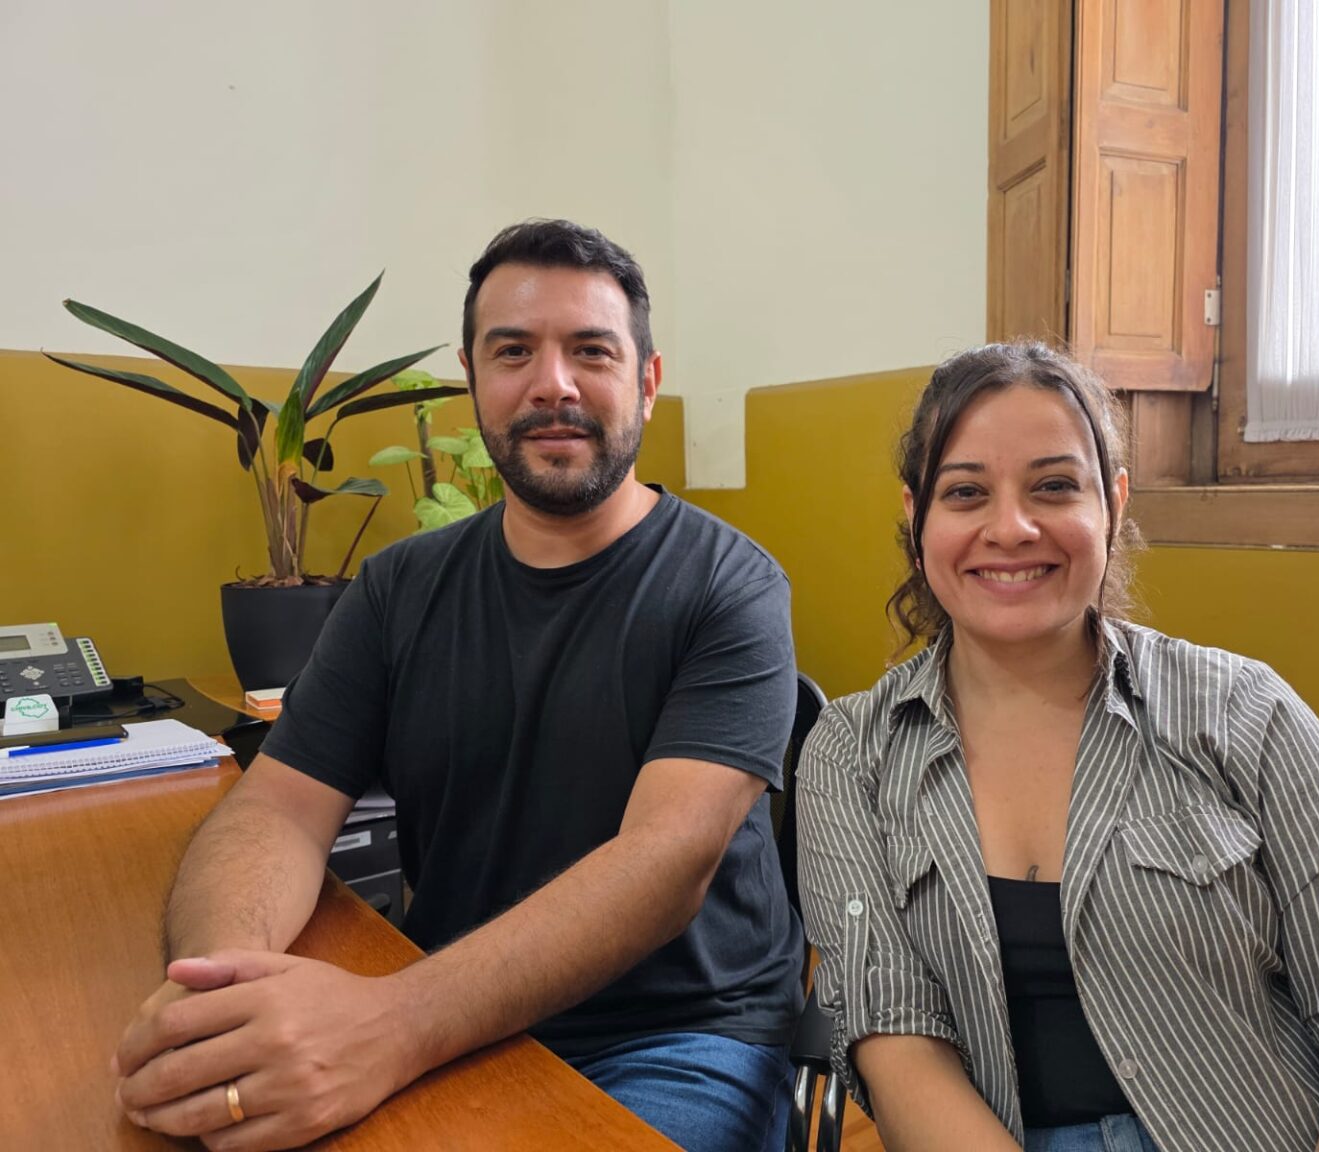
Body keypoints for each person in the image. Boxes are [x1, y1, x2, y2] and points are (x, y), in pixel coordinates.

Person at [111, 219, 804, 1152]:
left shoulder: (730, 585)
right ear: (472, 379)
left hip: (673, 1040)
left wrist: (390, 1024)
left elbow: (662, 863)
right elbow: (277, 808)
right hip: (452, 1011)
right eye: (512, 351)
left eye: (591, 351)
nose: (552, 384)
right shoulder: (398, 588)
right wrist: (219, 990)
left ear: (647, 380)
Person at [795, 342, 1319, 1152]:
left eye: (1054, 486)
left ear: (1112, 502)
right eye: (966, 492)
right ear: (916, 518)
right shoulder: (849, 753)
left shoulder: (1244, 711)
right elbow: (898, 1045)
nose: (1011, 528)